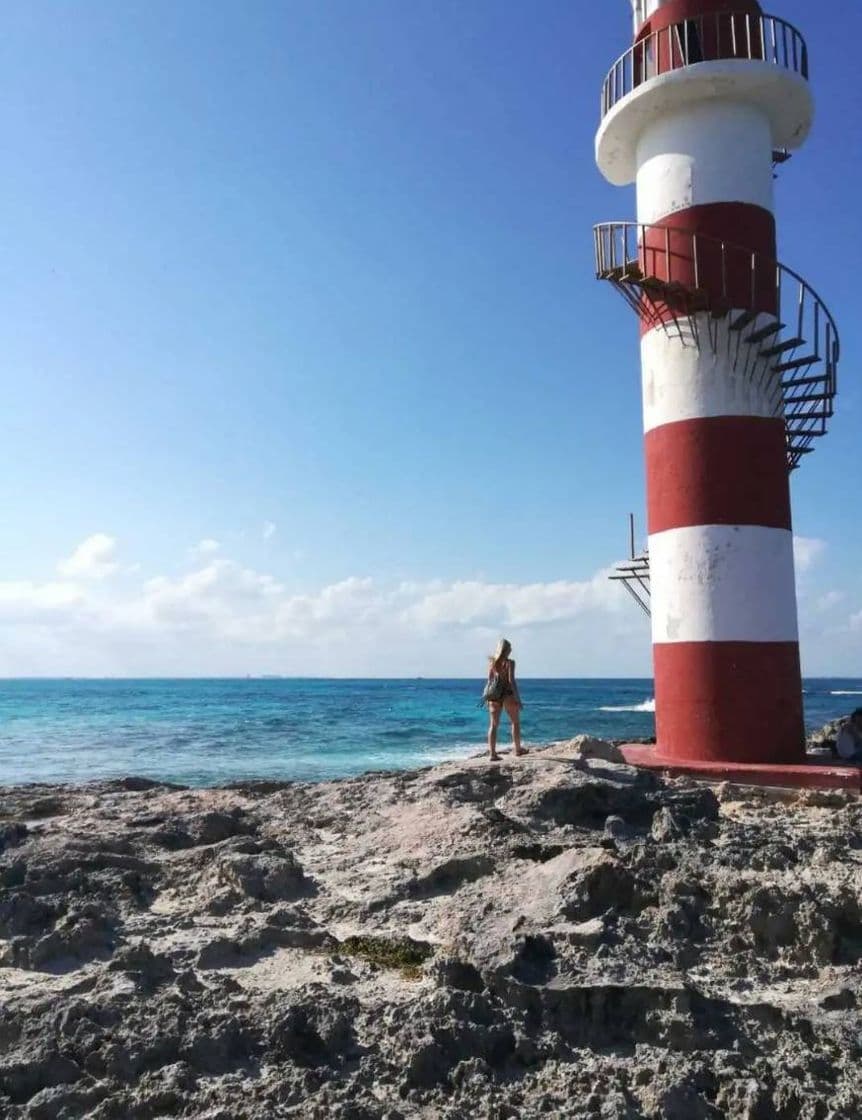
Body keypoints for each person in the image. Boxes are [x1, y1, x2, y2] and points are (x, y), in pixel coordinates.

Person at [484, 638, 527, 762]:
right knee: (515, 723)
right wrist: (518, 699)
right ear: (507, 650)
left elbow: (489, 681)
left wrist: (487, 696)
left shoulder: (492, 662)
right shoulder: (510, 663)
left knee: (493, 725)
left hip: (494, 696)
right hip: (508, 695)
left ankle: (492, 754)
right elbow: (511, 681)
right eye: (510, 648)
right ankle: (518, 750)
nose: (511, 650)